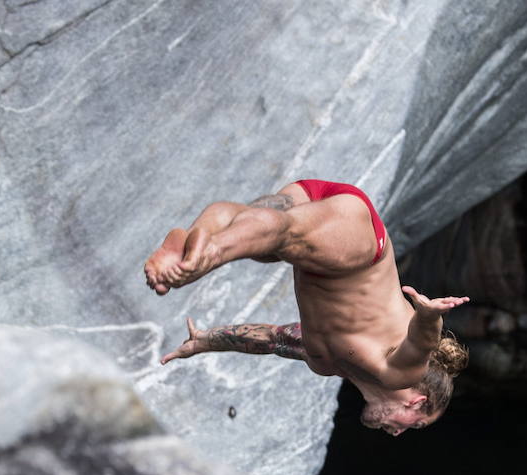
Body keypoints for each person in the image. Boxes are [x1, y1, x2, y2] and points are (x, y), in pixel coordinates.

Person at [144, 179, 469, 436]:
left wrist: (204, 341)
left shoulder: (328, 362)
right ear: (417, 401)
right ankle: (204, 254)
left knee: (257, 236)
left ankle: (192, 241)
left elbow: (273, 340)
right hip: (357, 247)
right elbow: (421, 342)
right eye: (415, 424)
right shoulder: (399, 373)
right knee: (281, 236)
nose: (397, 433)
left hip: (311, 203)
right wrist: (429, 317)